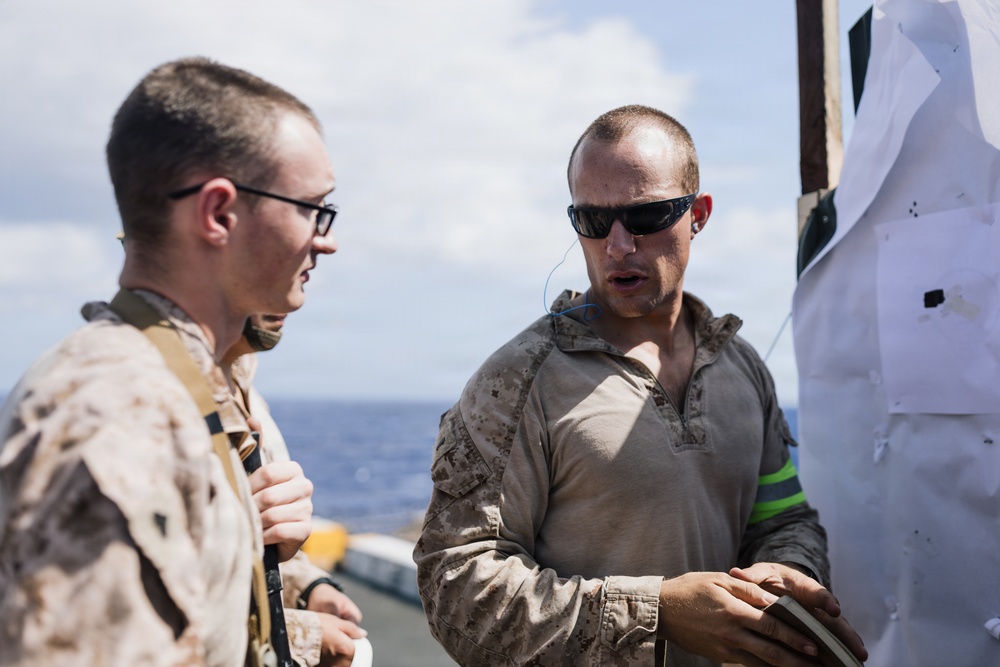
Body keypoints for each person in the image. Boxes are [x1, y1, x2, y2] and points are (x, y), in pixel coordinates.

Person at [414, 105, 867, 667]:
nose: (618, 246)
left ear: (698, 214)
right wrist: (658, 615)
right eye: (593, 221)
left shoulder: (742, 368)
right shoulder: (516, 382)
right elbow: (455, 592)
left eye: (646, 216)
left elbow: (783, 517)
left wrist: (785, 574)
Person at [0, 57, 337, 665]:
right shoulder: (112, 416)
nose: (326, 237)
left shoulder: (179, 387)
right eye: (312, 208)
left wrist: (307, 636)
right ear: (218, 213)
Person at [224, 314, 368, 667]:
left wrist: (307, 589)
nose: (320, 255)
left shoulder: (240, 386)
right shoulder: (138, 394)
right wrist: (302, 635)